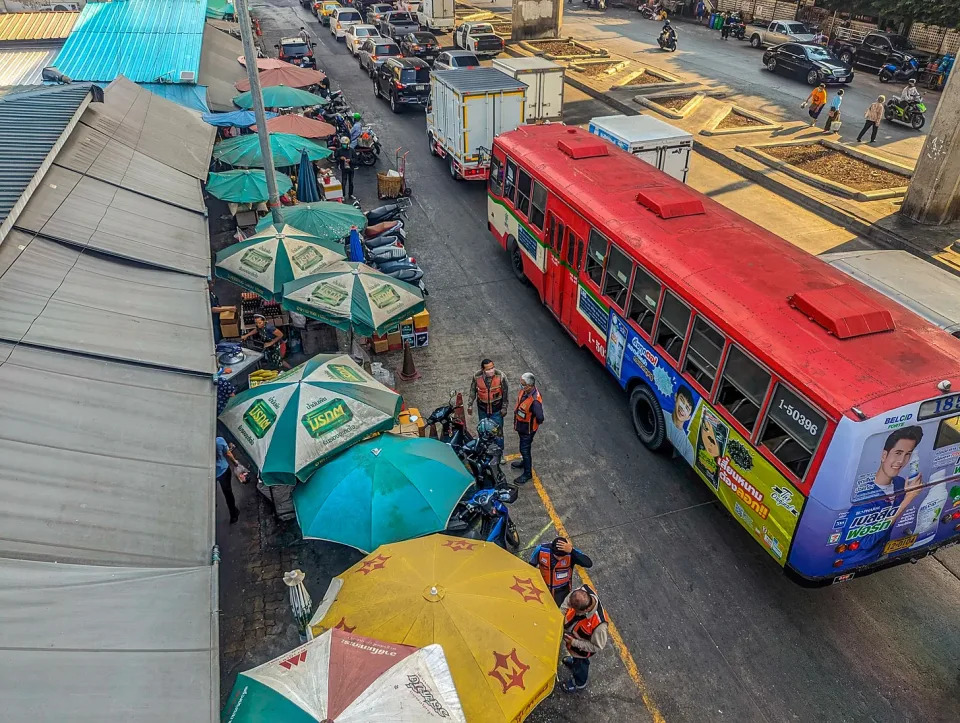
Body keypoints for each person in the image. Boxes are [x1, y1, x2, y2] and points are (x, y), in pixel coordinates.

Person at [559, 585, 609, 692]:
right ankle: (573, 662)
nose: (573, 611)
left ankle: (579, 683)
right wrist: (559, 617)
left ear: (587, 609)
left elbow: (597, 646)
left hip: (581, 651)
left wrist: (574, 642)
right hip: (572, 645)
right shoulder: (581, 592)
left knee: (581, 665)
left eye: (577, 611)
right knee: (575, 661)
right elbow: (567, 603)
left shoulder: (600, 626)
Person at [529, 536, 593, 606]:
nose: (559, 559)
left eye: (562, 556)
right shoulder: (541, 550)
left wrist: (572, 551)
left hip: (562, 592)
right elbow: (530, 567)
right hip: (542, 589)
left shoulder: (571, 553)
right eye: (557, 556)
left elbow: (588, 563)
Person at [511, 372, 544, 484]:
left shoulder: (535, 401)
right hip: (522, 426)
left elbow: (540, 417)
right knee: (523, 449)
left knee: (525, 450)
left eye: (523, 384)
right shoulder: (526, 391)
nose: (521, 386)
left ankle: (527, 473)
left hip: (527, 430)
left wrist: (533, 424)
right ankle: (524, 463)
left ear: (530, 386)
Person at [467, 358, 509, 434]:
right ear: (483, 369)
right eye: (488, 369)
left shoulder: (501, 376)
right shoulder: (477, 376)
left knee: (497, 433)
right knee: (483, 432)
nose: (491, 370)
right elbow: (473, 390)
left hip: (496, 410)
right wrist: (470, 405)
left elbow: (505, 393)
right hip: (483, 410)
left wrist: (504, 407)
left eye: (492, 368)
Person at [665, 384, 695, 464]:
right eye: (682, 400)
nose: (683, 408)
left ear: (689, 417)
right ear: (675, 397)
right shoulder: (662, 414)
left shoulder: (688, 447)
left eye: (687, 408)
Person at [216, 435, 241, 524]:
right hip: (223, 471)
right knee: (228, 494)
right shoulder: (219, 441)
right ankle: (233, 514)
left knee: (211, 493)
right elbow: (228, 453)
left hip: (210, 474)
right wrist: (235, 462)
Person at [209, 279, 236, 344]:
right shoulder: (208, 296)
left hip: (218, 321)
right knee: (216, 339)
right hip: (213, 322)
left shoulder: (213, 294)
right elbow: (212, 309)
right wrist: (228, 309)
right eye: (210, 283)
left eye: (213, 283)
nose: (212, 285)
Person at [335, 135, 355, 199]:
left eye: (345, 144)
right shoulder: (339, 150)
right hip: (344, 169)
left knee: (351, 182)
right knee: (343, 183)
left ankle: (350, 194)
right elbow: (336, 158)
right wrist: (340, 158)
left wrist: (350, 160)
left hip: (351, 169)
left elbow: (356, 159)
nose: (344, 145)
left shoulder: (352, 150)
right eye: (343, 144)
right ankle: (343, 195)